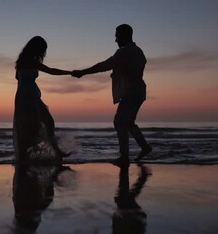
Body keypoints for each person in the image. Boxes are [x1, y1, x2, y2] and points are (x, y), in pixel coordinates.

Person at [72, 24, 152, 166]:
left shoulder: (123, 52)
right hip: (139, 91)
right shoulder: (138, 51)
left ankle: (124, 157)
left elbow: (103, 65)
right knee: (128, 122)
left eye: (117, 36)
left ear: (124, 35)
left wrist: (82, 72)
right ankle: (144, 147)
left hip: (132, 92)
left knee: (119, 121)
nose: (115, 40)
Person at [14, 36, 71, 165]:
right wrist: (70, 72)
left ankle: (29, 156)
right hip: (29, 97)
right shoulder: (32, 62)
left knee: (32, 126)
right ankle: (53, 152)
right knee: (43, 123)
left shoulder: (21, 62)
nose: (43, 53)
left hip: (23, 96)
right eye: (42, 50)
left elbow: (18, 78)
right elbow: (51, 71)